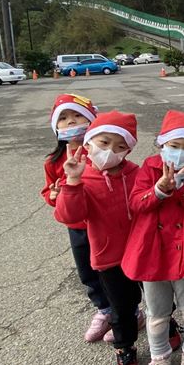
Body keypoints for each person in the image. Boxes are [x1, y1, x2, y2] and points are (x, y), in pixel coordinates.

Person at [123, 110, 184, 365]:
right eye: (174, 145)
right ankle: (159, 357)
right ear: (162, 144)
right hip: (151, 250)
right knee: (157, 311)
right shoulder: (149, 167)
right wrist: (159, 190)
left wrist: (183, 184)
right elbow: (135, 204)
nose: (180, 152)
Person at [55, 111, 143, 365]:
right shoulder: (82, 177)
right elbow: (69, 216)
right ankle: (125, 348)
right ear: (89, 142)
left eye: (119, 146)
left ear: (128, 149)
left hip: (142, 251)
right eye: (104, 143)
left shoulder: (136, 173)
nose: (110, 152)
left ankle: (169, 326)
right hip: (108, 257)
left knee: (158, 298)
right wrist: (72, 182)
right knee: (121, 307)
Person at [41, 94, 114, 343]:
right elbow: (49, 190)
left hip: (104, 223)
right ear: (55, 126)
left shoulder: (102, 153)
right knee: (87, 271)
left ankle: (128, 311)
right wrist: (53, 196)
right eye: (63, 118)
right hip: (77, 226)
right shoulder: (53, 161)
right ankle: (104, 310)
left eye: (77, 115)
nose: (71, 122)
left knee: (113, 269)